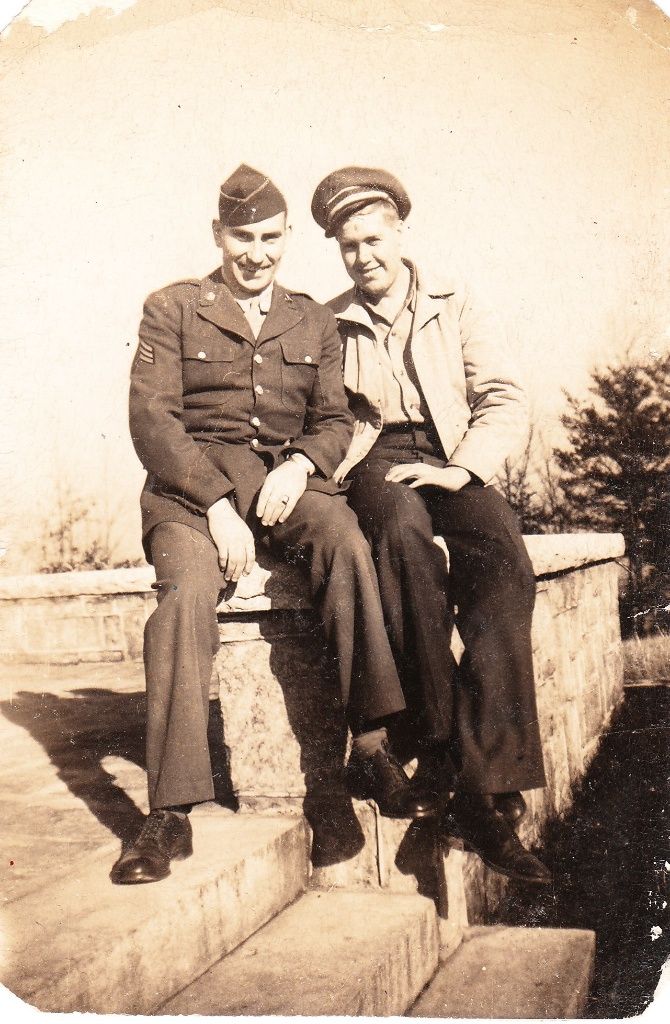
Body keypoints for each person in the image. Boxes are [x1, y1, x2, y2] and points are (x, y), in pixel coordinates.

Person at [113, 165, 438, 885]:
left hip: (284, 485)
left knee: (346, 543)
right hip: (191, 493)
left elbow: (333, 419)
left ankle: (371, 747)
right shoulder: (173, 308)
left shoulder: (312, 318)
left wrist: (300, 466)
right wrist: (215, 504)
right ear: (218, 235)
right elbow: (152, 421)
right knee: (183, 597)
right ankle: (169, 812)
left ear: (288, 236)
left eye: (270, 238)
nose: (256, 253)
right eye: (242, 238)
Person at [311, 166, 552, 885]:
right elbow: (327, 419)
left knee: (503, 565)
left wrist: (463, 468)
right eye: (349, 246)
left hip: (453, 452)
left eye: (374, 240)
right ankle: (448, 750)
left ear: (401, 233)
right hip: (377, 459)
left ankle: (480, 783)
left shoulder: (455, 300)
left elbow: (503, 395)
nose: (364, 257)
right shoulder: (329, 322)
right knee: (402, 540)